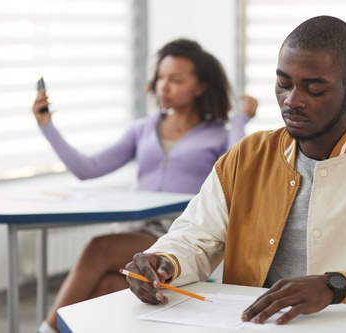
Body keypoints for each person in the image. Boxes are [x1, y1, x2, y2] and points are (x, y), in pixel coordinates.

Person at [125, 16, 346, 333]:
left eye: (314, 88)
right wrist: (165, 261)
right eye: (283, 83)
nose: (292, 100)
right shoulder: (247, 157)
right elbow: (194, 240)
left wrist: (339, 286)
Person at [33, 39, 257, 333]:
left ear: (200, 87)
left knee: (98, 247)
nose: (163, 86)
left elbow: (242, 173)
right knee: (109, 286)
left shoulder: (219, 136)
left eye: (176, 79)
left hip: (175, 234)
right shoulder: (143, 129)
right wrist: (47, 126)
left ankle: (45, 330)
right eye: (161, 77)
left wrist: (240, 120)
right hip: (134, 230)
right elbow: (87, 169)